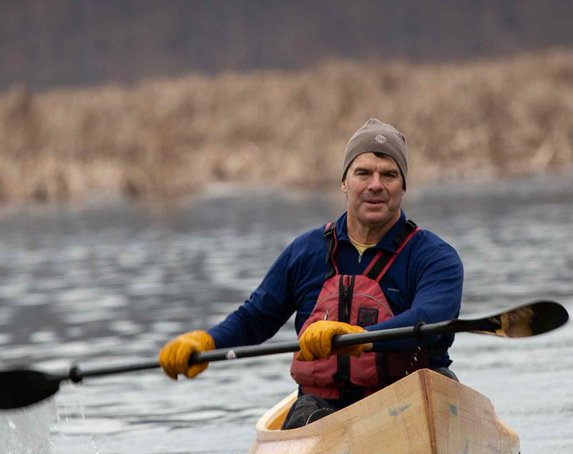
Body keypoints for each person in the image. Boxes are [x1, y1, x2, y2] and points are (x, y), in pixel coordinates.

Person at [158, 118, 464, 429]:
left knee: (434, 392)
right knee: (308, 415)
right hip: (323, 407)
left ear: (403, 186)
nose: (376, 185)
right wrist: (207, 343)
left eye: (389, 175)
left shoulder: (435, 257)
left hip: (414, 397)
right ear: (345, 183)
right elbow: (255, 318)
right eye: (363, 173)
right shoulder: (306, 252)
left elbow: (430, 320)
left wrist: (358, 338)